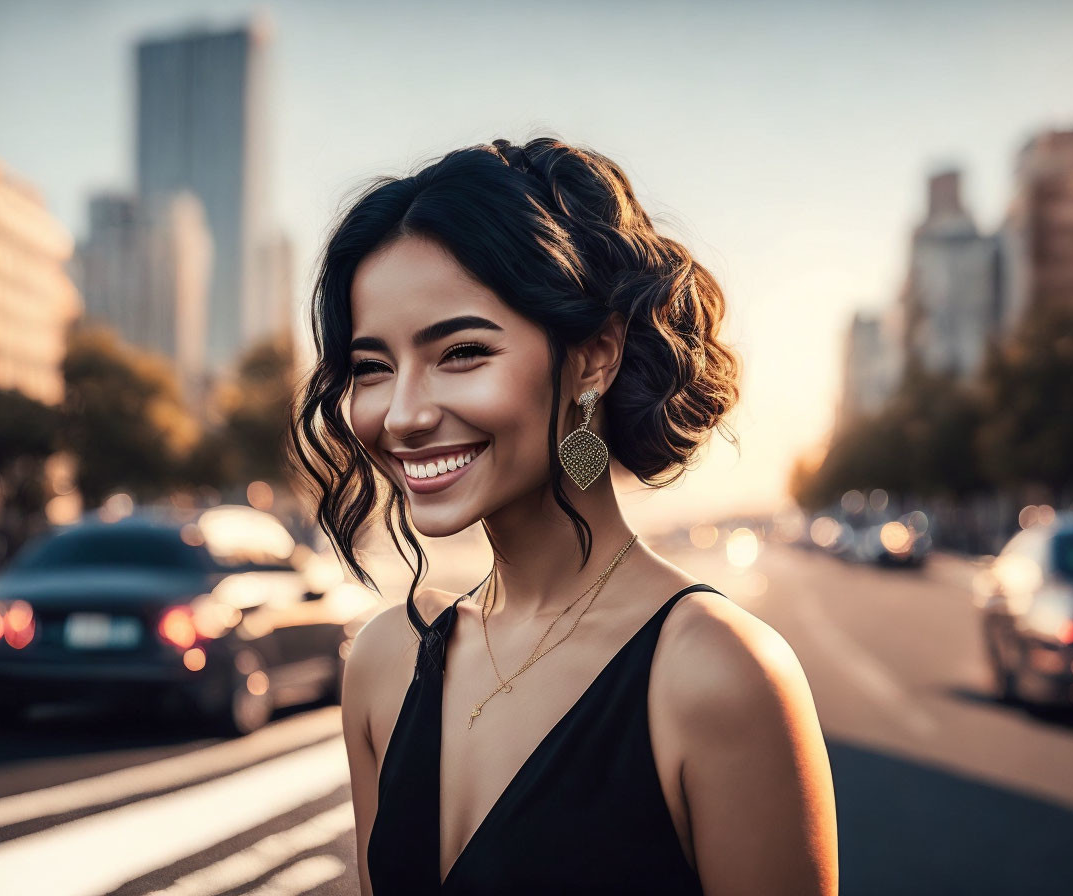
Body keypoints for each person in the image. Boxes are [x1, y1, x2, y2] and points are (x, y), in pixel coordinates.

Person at [289, 136, 838, 895]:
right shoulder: (384, 663)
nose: (404, 415)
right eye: (372, 368)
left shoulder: (715, 673)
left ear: (593, 358)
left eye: (461, 353)